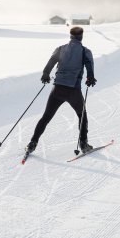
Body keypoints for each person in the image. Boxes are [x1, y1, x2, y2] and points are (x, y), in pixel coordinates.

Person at [25, 26, 97, 155]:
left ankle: (32, 143)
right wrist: (90, 77)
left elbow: (51, 61)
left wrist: (46, 74)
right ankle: (83, 144)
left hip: (57, 89)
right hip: (73, 91)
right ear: (81, 37)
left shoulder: (61, 49)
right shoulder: (85, 51)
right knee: (82, 116)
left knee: (46, 117)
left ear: (70, 36)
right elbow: (89, 65)